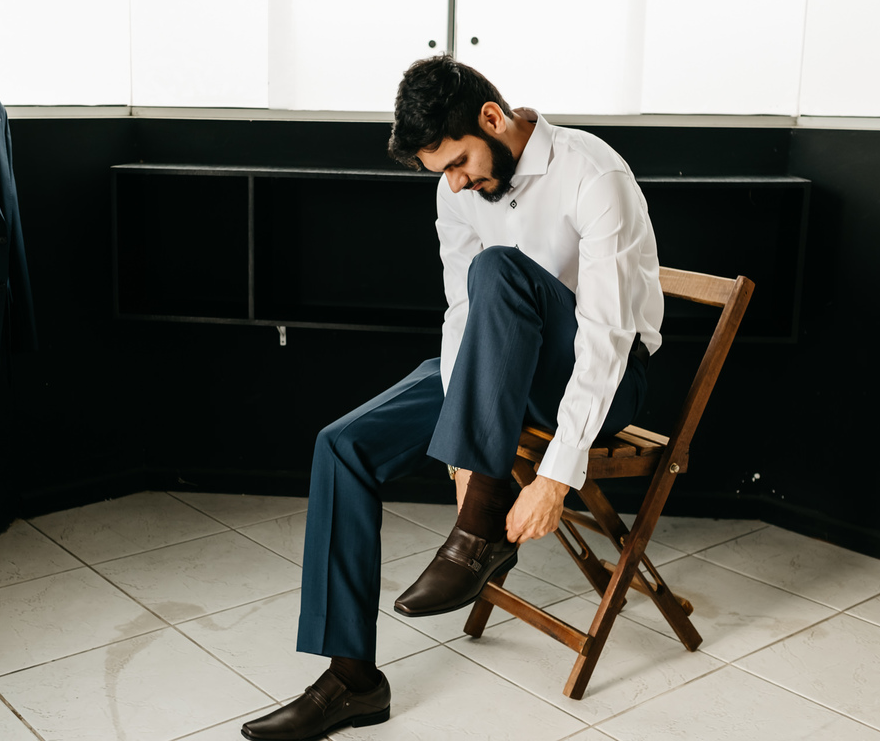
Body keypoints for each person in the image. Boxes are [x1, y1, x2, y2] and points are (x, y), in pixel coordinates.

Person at [241, 55, 663, 741]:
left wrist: (558, 474)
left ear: (492, 119)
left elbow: (607, 339)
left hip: (600, 380)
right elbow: (462, 314)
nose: (457, 181)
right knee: (341, 445)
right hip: (495, 374)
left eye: (461, 160)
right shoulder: (457, 189)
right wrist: (467, 440)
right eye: (443, 171)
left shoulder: (594, 173)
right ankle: (352, 680)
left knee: (501, 268)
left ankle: (477, 533)